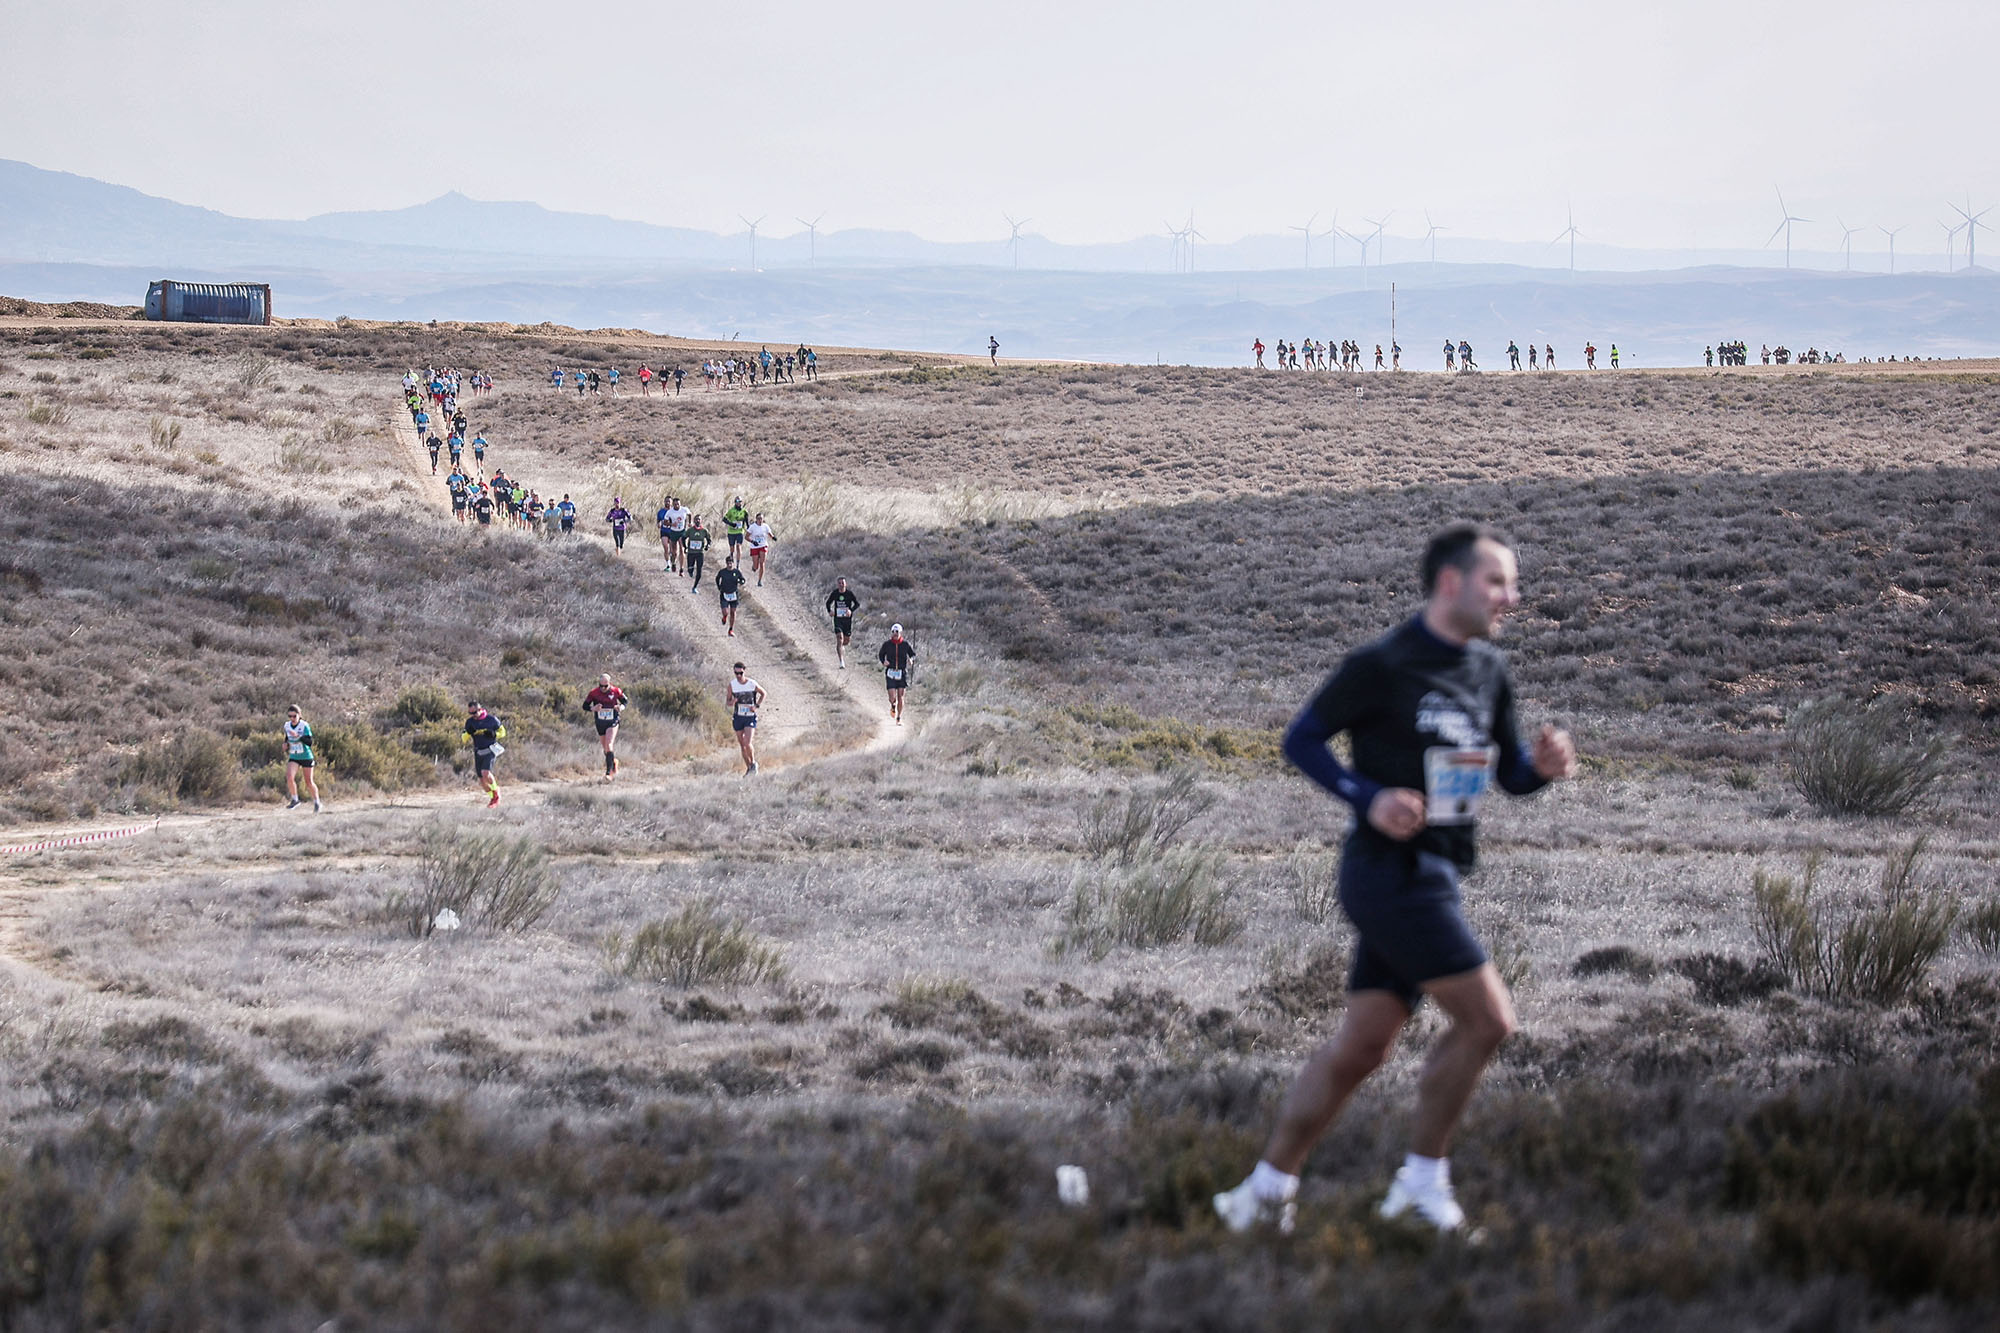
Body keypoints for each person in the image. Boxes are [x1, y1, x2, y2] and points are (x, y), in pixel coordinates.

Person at [1212, 524, 1577, 1237]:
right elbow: (1302, 738)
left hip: (1439, 870)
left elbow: (1506, 775)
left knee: (1363, 1045)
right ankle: (1419, 1185)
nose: (1512, 596)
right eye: (1497, 581)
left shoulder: (1488, 671)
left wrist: (1543, 767)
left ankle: (1261, 1192)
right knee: (1490, 1020)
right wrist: (1367, 795)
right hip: (1388, 874)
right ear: (1451, 583)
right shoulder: (1382, 664)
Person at [582, 673, 627, 779]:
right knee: (606, 749)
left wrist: (620, 708)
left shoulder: (616, 691)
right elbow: (585, 706)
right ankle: (614, 762)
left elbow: (625, 702)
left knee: (609, 744)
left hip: (613, 720)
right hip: (600, 722)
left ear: (609, 684)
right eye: (600, 686)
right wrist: (593, 708)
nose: (603, 688)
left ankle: (608, 773)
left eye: (605, 686)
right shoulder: (594, 693)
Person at [463, 700, 507, 807]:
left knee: (485, 773)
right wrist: (468, 732)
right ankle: (492, 797)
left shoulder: (491, 720)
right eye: (470, 714)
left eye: (475, 713)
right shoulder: (470, 722)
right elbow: (464, 738)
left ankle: (496, 795)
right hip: (478, 751)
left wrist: (494, 734)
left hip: (490, 749)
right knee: (482, 781)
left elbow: (503, 732)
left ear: (480, 709)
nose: (473, 716)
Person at [282, 705, 322, 812]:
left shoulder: (304, 726)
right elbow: (287, 737)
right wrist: (285, 744)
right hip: (294, 756)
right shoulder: (287, 726)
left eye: (294, 716)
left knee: (309, 782)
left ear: (299, 715)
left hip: (306, 756)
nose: (292, 718)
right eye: (289, 716)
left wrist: (298, 737)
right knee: (289, 777)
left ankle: (317, 802)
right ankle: (295, 799)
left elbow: (310, 742)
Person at [727, 662, 764, 775]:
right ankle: (749, 769)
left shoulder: (752, 683)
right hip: (738, 717)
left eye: (740, 673)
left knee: (747, 742)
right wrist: (732, 702)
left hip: (750, 717)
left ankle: (753, 764)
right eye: (736, 673)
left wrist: (756, 706)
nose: (738, 675)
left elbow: (763, 693)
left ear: (744, 671)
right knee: (742, 745)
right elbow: (727, 702)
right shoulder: (732, 685)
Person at [878, 623, 916, 725]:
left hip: (902, 673)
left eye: (897, 632)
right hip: (890, 672)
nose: (895, 634)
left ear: (900, 633)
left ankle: (899, 718)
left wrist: (911, 660)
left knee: (901, 696)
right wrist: (883, 661)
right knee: (892, 697)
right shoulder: (887, 644)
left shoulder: (905, 644)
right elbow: (881, 654)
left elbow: (913, 654)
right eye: (893, 632)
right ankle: (893, 705)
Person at [825, 577, 860, 667]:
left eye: (842, 583)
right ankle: (841, 662)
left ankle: (841, 647)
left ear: (845, 584)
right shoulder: (835, 593)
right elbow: (828, 603)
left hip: (847, 620)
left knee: (846, 641)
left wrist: (851, 610)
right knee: (839, 638)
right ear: (837, 584)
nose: (841, 585)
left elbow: (857, 604)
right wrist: (830, 611)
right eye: (839, 583)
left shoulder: (849, 594)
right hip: (838, 619)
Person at [658, 494, 689, 572]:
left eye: (669, 501)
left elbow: (687, 515)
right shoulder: (664, 512)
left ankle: (679, 566)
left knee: (678, 550)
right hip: (666, 531)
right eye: (666, 501)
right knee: (668, 548)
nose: (668, 503)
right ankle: (669, 564)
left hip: (677, 531)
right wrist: (661, 524)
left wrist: (687, 524)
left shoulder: (681, 510)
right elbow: (660, 522)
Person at [715, 556, 746, 634]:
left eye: (731, 563)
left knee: (733, 612)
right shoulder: (722, 572)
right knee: (725, 612)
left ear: (733, 563)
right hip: (724, 593)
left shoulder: (736, 572)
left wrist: (741, 582)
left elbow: (742, 579)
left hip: (733, 594)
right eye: (728, 563)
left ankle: (731, 629)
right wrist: (719, 587)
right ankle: (724, 617)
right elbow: (717, 578)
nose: (730, 564)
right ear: (726, 563)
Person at [745, 512, 776, 586]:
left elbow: (769, 534)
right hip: (754, 547)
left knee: (762, 563)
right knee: (756, 566)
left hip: (763, 545)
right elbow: (746, 537)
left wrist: (773, 537)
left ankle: (760, 580)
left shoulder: (765, 526)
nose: (760, 520)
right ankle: (754, 566)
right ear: (756, 519)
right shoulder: (752, 527)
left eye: (761, 518)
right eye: (758, 519)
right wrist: (752, 541)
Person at [685, 515, 711, 589]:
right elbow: (683, 538)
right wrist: (685, 547)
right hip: (691, 552)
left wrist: (707, 546)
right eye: (696, 519)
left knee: (699, 570)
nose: (698, 521)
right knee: (690, 569)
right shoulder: (690, 530)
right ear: (694, 521)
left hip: (700, 553)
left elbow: (709, 540)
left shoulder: (704, 531)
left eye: (699, 519)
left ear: (701, 521)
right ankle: (690, 571)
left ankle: (695, 586)